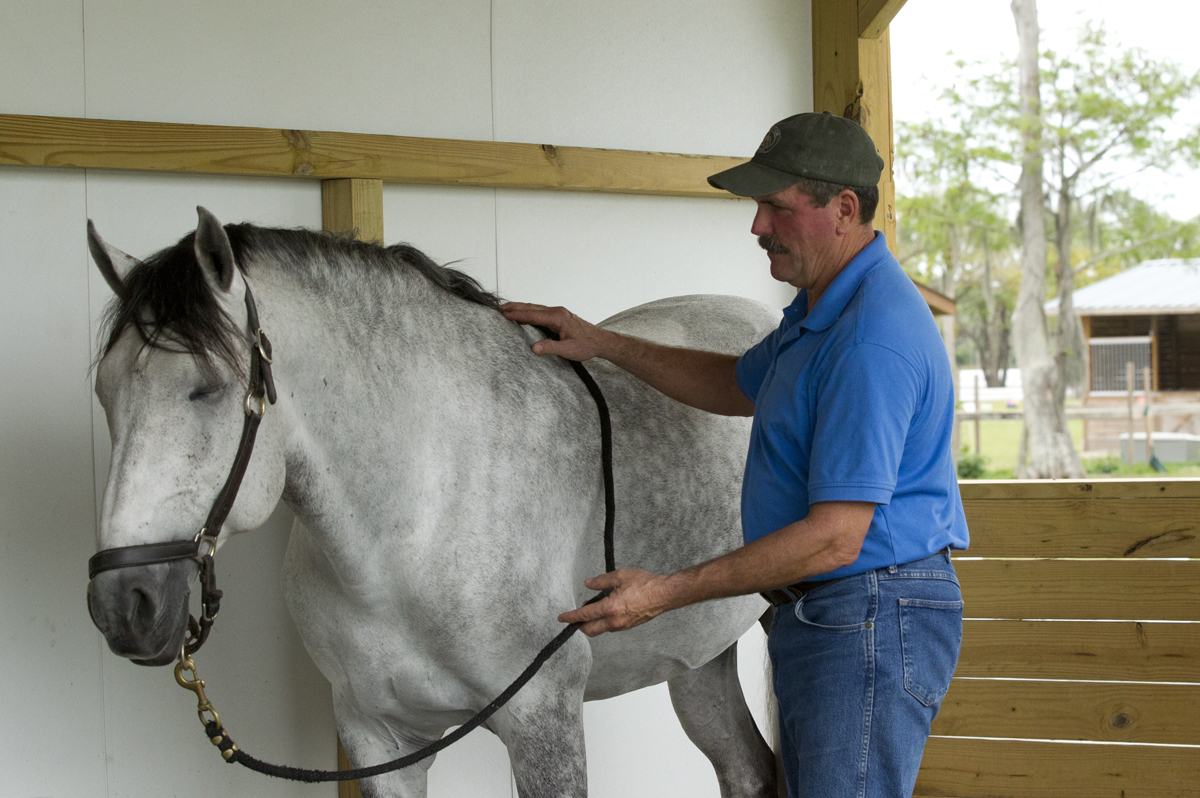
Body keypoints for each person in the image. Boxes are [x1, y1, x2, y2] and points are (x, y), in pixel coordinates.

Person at [499, 112, 969, 798]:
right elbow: (734, 383)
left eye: (777, 207)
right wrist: (603, 343)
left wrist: (663, 594)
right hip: (832, 611)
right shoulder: (822, 309)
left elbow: (837, 537)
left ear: (843, 210)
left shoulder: (871, 338)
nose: (757, 227)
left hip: (869, 610)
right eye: (757, 206)